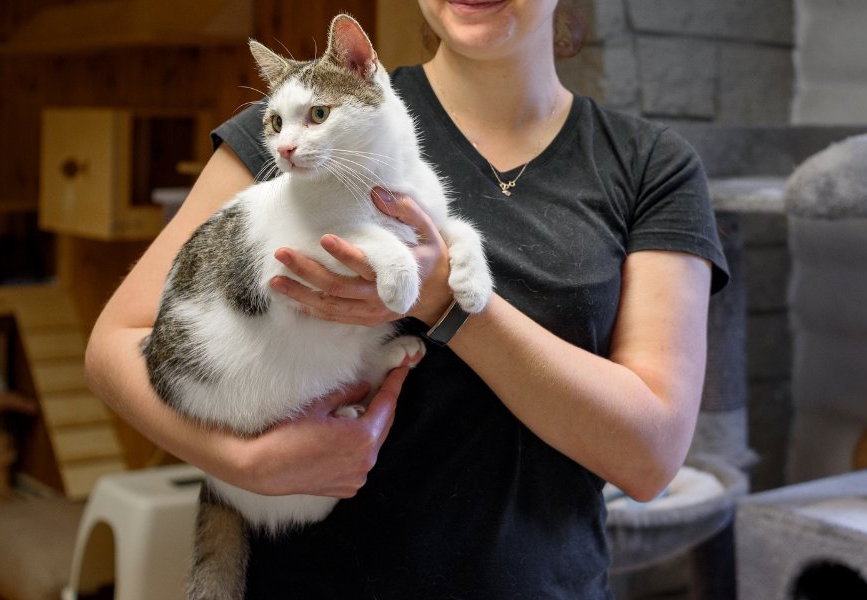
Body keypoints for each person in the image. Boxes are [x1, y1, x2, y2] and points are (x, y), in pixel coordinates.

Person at [85, 0, 729, 597]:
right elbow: (115, 346)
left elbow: (650, 461)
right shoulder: (300, 127)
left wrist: (446, 302)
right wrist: (244, 464)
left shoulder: (651, 166)